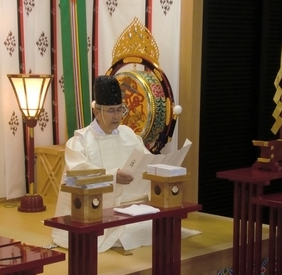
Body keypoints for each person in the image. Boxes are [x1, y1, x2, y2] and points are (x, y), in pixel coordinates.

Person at [52, 75, 199, 253]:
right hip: (100, 210)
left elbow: (147, 161)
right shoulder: (81, 141)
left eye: (120, 110)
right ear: (97, 112)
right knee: (129, 232)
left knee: (160, 226)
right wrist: (114, 176)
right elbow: (79, 173)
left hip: (134, 205)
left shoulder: (128, 134)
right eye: (111, 111)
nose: (117, 116)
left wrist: (167, 166)